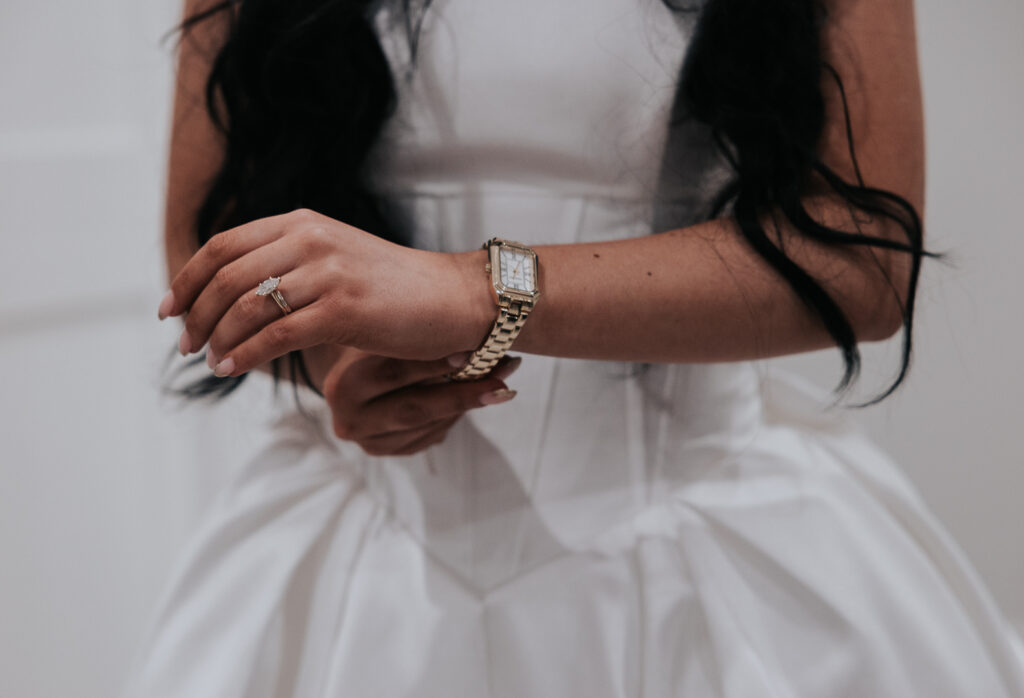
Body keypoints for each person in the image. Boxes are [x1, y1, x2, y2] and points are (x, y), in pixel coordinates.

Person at [124, 0, 1024, 695]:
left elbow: (856, 261)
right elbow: (207, 230)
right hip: (358, 538)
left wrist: (478, 292)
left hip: (702, 546)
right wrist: (337, 367)